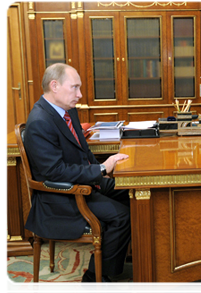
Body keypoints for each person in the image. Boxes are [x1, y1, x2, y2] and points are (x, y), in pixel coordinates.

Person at [24, 63, 131, 293]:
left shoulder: (67, 110)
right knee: (122, 217)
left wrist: (100, 169)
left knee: (133, 192)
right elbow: (56, 172)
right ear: (55, 86)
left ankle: (125, 256)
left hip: (85, 182)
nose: (80, 94)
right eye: (75, 88)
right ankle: (94, 277)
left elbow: (84, 152)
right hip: (62, 196)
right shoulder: (40, 122)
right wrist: (101, 169)